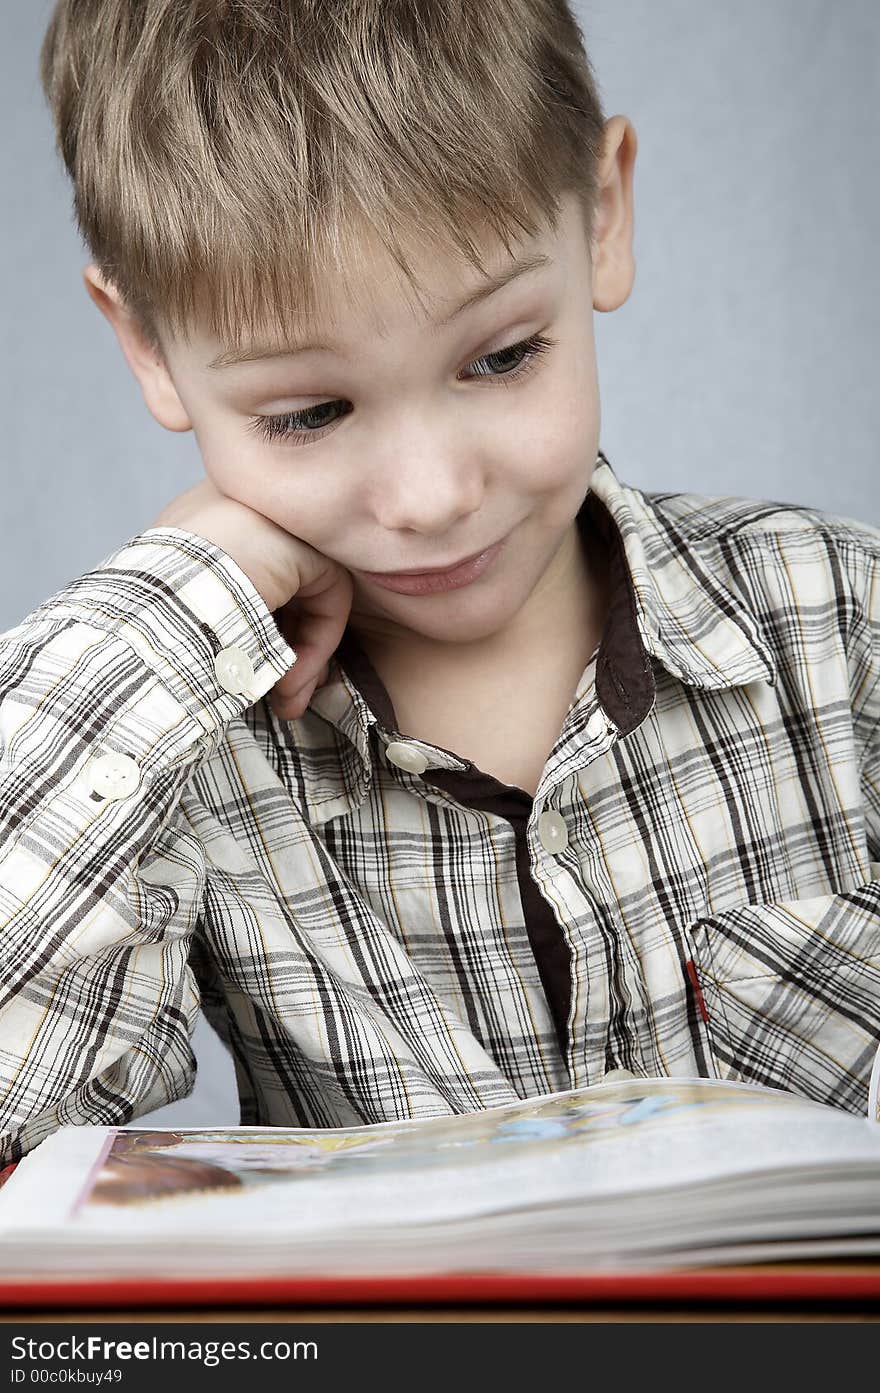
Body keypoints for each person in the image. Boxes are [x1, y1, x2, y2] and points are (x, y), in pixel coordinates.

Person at [1, 0, 878, 1168]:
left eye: (501, 355)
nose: (429, 494)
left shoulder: (842, 622)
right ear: (150, 346)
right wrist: (168, 608)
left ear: (602, 212)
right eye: (309, 413)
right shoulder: (182, 753)